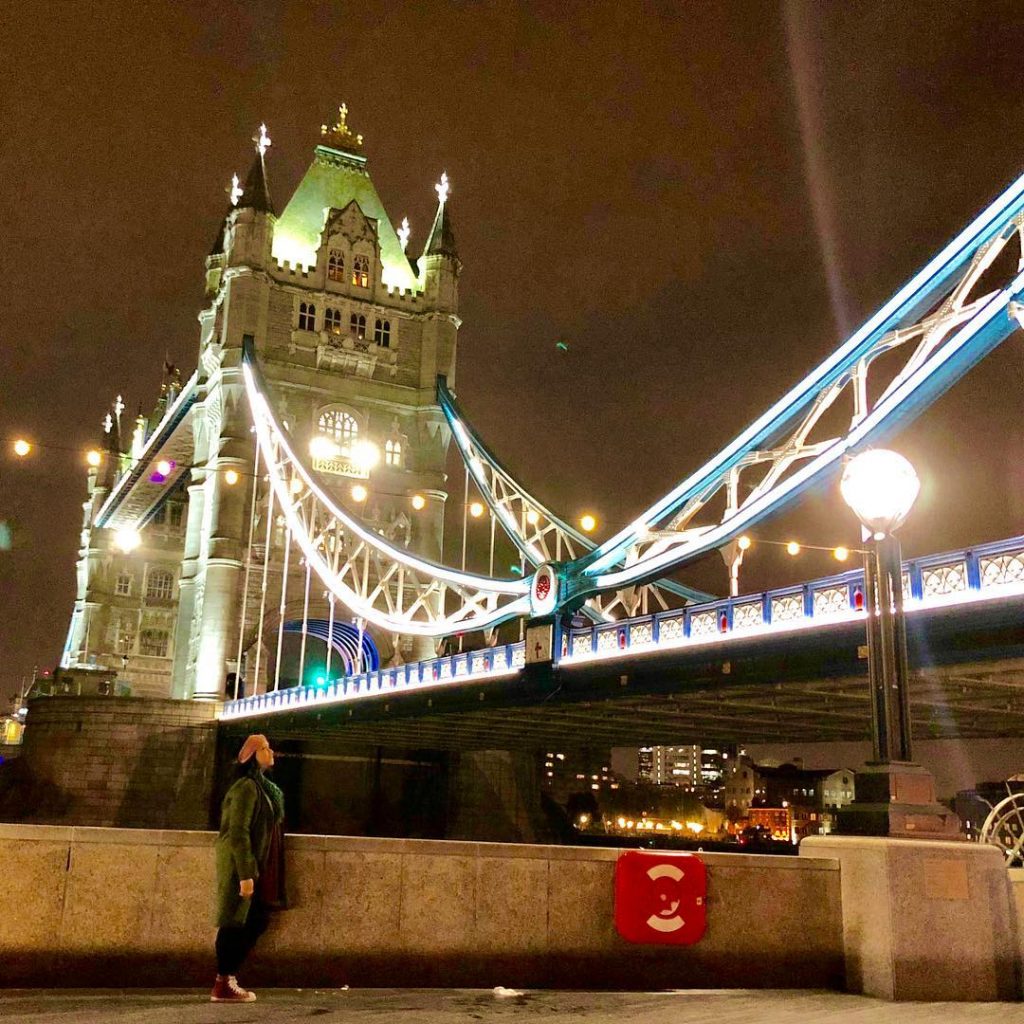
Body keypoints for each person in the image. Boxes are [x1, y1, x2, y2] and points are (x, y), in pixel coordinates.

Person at [210, 733, 285, 1003]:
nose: (271, 751)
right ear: (253, 756)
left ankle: (226, 979)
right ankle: (224, 981)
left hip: (259, 864)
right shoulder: (246, 788)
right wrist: (245, 874)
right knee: (238, 922)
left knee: (254, 919)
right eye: (265, 748)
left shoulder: (264, 788)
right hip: (245, 866)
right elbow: (238, 832)